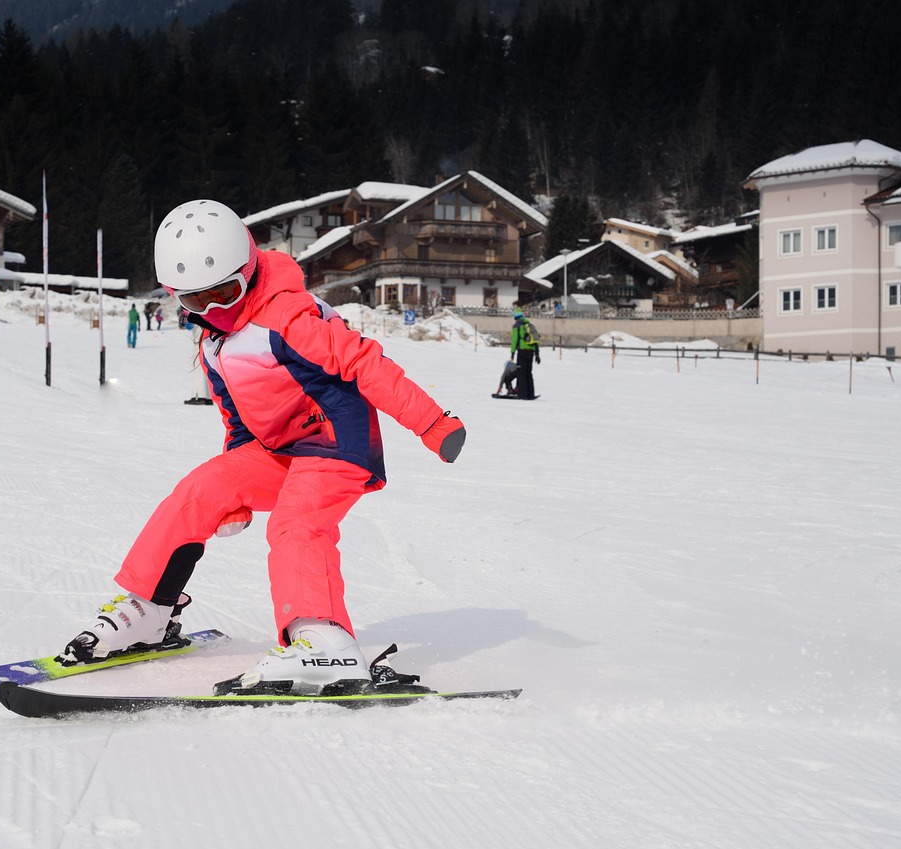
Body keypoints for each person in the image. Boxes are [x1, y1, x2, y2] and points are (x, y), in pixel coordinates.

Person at [59, 199, 466, 695]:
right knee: (198, 490)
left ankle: (323, 641)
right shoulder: (213, 344)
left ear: (248, 271)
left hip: (336, 440)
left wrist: (432, 424)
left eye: (225, 293)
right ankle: (150, 610)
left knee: (297, 521)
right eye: (195, 302)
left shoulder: (287, 316)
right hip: (278, 450)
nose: (214, 311)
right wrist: (235, 488)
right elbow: (238, 418)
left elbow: (365, 364)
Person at [510, 307, 540, 399]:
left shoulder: (517, 326)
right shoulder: (529, 325)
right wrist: (537, 354)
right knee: (529, 373)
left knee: (521, 373)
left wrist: (512, 353)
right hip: (531, 352)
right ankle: (530, 394)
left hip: (522, 352)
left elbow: (514, 340)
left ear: (515, 317)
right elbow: (535, 340)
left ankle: (522, 394)